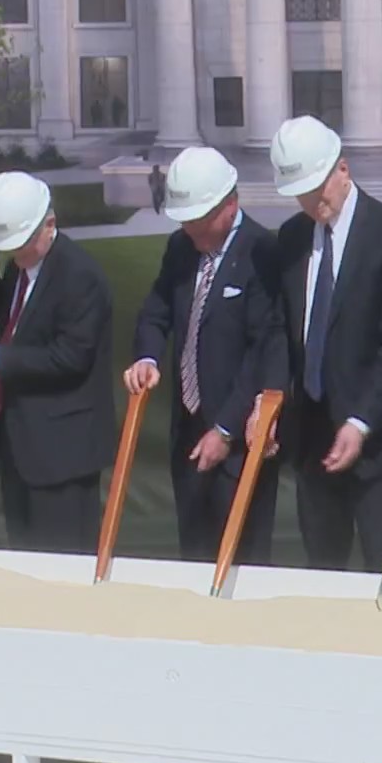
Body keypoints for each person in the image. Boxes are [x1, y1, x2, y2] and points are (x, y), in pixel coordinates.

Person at [260, 115, 382, 572]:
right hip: (314, 439)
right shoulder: (293, 238)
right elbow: (282, 328)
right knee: (324, 572)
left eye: (319, 187)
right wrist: (272, 398)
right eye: (301, 192)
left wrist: (360, 422)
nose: (314, 201)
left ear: (343, 169)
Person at [126, 147, 287, 564]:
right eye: (186, 221)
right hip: (188, 434)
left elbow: (264, 348)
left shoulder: (263, 254)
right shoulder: (181, 248)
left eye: (199, 221)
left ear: (230, 204)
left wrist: (225, 429)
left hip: (239, 442)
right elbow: (156, 309)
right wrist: (147, 357)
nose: (191, 231)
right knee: (194, 555)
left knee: (242, 560)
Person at [0, 171, 116, 554]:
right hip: (21, 447)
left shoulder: (80, 277)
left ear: (50, 224)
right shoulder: (19, 268)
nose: (15, 252)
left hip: (63, 455)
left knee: (62, 563)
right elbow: (13, 323)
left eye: (21, 243)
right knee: (26, 557)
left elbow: (70, 357)